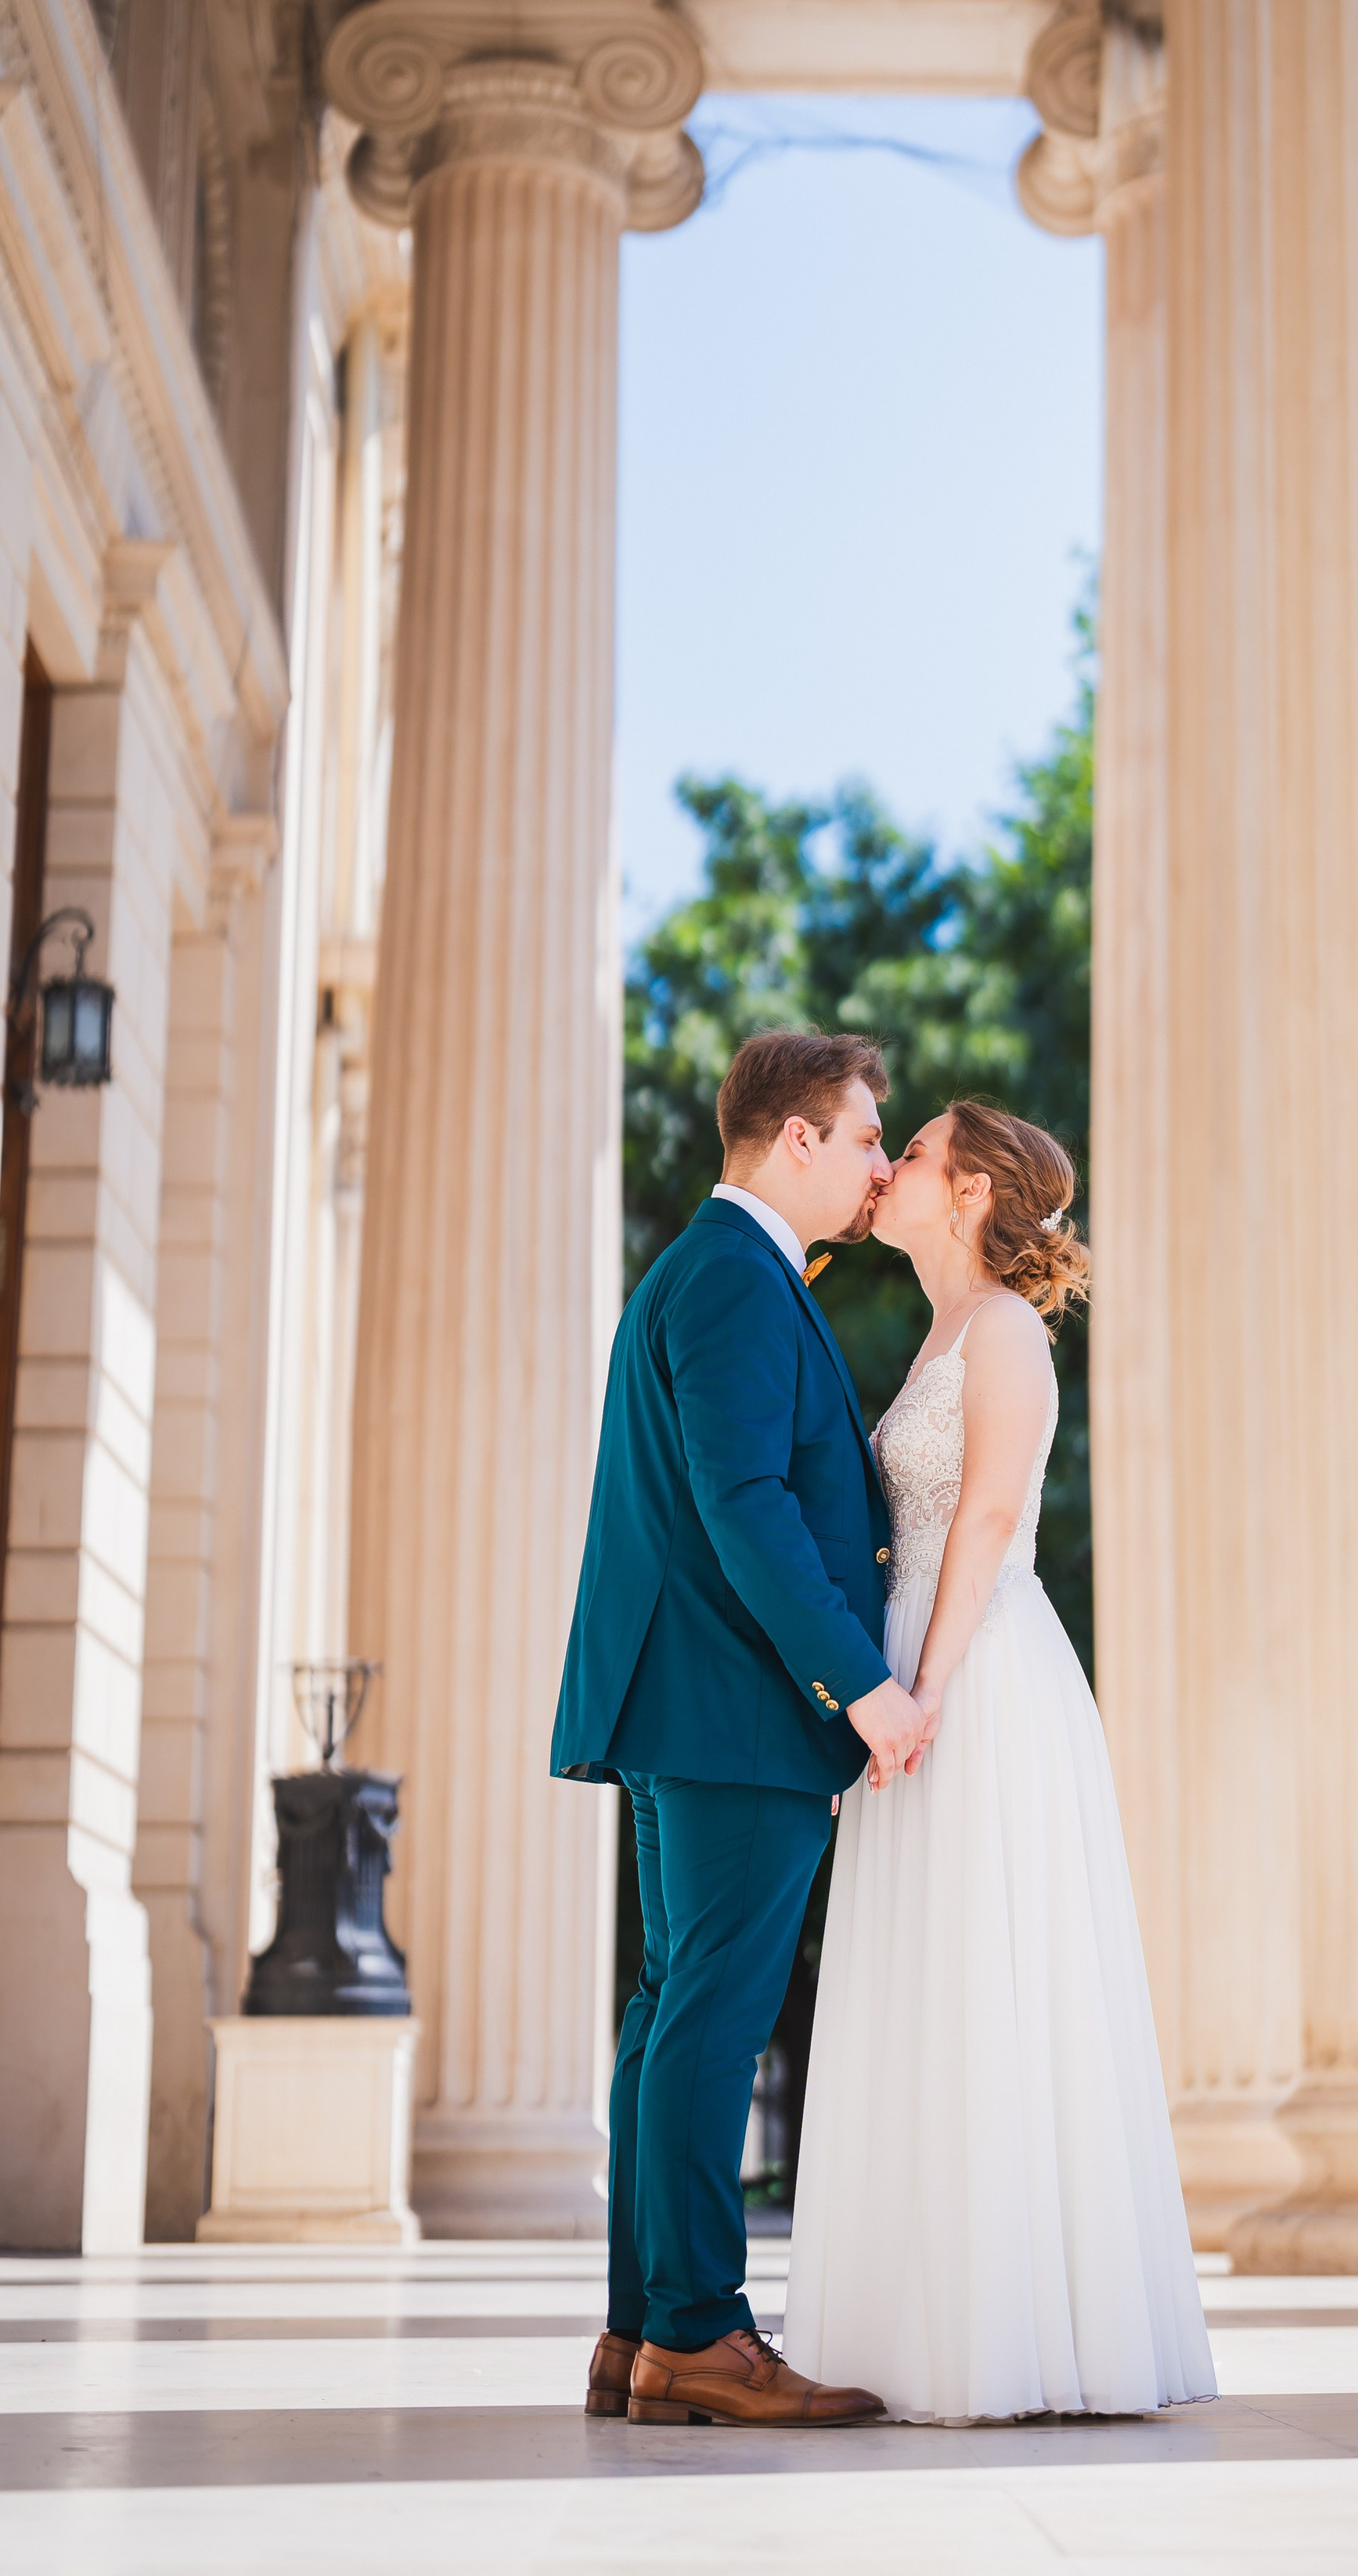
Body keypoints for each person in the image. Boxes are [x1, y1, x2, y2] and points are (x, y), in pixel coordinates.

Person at [783, 1101, 1215, 2423]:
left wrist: (919, 1688)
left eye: (909, 1151)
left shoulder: (1011, 1332)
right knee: (923, 1973)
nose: (888, 1167)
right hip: (917, 1663)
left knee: (985, 1966)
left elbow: (986, 1513)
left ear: (966, 1189)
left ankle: (1017, 2331)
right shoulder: (939, 1333)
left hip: (975, 1669)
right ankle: (924, 2318)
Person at [551, 1029, 924, 2429]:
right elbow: (747, 1504)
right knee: (709, 2013)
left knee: (668, 2012)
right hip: (734, 1707)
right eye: (869, 1136)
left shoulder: (716, 1270)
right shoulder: (733, 1277)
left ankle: (642, 2329)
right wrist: (861, 1684)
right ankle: (700, 2333)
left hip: (691, 1700)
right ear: (798, 1141)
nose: (882, 1164)